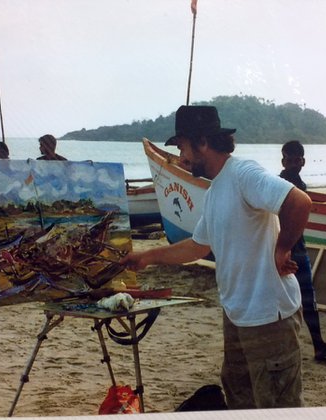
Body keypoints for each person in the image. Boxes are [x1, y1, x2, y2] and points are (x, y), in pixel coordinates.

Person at [121, 105, 312, 409]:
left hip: (269, 318)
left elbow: (299, 202)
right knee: (239, 402)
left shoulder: (244, 174)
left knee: (278, 408)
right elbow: (198, 246)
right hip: (236, 317)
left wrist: (282, 248)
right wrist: (148, 256)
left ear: (203, 142)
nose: (181, 156)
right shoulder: (213, 192)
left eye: (183, 146)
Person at [279, 140, 326, 360]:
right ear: (283, 161)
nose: (293, 164)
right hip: (286, 249)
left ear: (303, 162)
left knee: (306, 298)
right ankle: (309, 346)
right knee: (291, 298)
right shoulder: (280, 184)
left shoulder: (299, 184)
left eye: (297, 160)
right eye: (289, 160)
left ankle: (318, 345)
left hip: (298, 247)